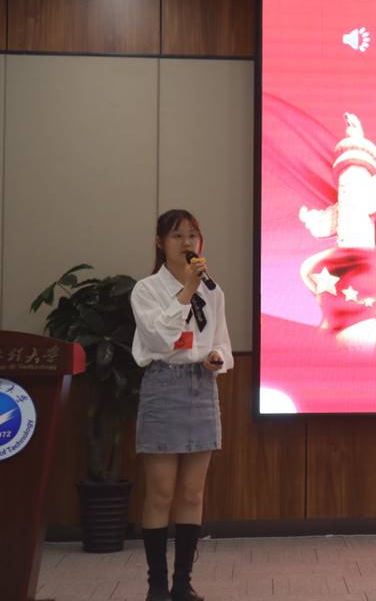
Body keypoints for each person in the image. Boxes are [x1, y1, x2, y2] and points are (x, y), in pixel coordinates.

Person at [131, 210, 232, 601]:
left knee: (193, 493)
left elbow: (220, 341)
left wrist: (217, 358)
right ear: (160, 243)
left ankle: (182, 584)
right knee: (160, 493)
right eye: (177, 236)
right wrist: (188, 288)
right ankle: (156, 585)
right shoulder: (146, 290)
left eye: (193, 235)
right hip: (163, 385)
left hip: (201, 388)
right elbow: (160, 338)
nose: (187, 243)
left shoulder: (213, 291)